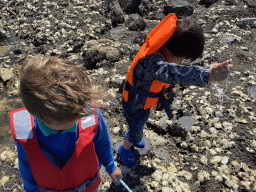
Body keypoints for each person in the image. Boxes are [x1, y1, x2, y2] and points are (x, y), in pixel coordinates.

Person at [118, 13, 233, 167]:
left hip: (140, 102)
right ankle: (125, 148)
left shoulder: (159, 49)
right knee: (137, 126)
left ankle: (134, 133)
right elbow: (176, 73)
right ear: (175, 53)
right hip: (134, 106)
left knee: (141, 121)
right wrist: (208, 75)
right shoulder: (154, 65)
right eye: (183, 59)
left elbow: (174, 69)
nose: (181, 63)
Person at [9, 55, 122, 192]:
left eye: (75, 116)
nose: (73, 121)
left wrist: (111, 166)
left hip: (87, 186)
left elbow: (102, 142)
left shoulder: (86, 112)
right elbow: (26, 165)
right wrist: (31, 189)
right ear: (35, 114)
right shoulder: (26, 131)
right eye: (63, 122)